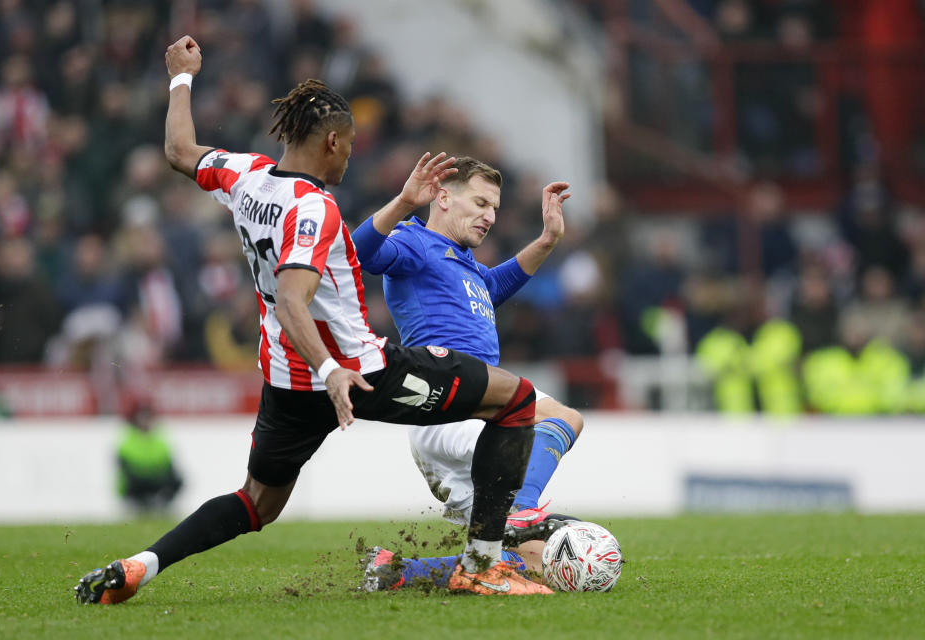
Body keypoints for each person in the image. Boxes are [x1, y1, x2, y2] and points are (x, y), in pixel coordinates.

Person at [73, 35, 552, 604]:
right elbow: (292, 297)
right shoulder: (314, 208)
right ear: (331, 141)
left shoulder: (247, 176)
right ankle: (482, 565)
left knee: (257, 502)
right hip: (357, 371)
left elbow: (180, 151)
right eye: (349, 145)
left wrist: (181, 78)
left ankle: (140, 567)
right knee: (517, 401)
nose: (352, 156)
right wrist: (331, 370)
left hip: (284, 380)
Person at [350, 157, 583, 590]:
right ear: (442, 197)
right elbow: (358, 253)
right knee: (563, 417)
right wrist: (403, 202)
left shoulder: (465, 265)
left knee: (529, 559)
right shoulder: (414, 242)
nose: (489, 217)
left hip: (472, 413)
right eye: (479, 202)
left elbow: (495, 286)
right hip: (450, 406)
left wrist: (548, 240)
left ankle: (397, 573)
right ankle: (522, 510)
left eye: (494, 207)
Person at [116, 393, 183, 512]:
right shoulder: (126, 443)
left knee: (177, 481)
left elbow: (170, 469)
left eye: (148, 416)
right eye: (141, 416)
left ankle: (161, 505)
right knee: (137, 483)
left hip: (156, 484)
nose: (145, 420)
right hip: (136, 488)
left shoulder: (160, 441)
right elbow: (127, 474)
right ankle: (142, 506)